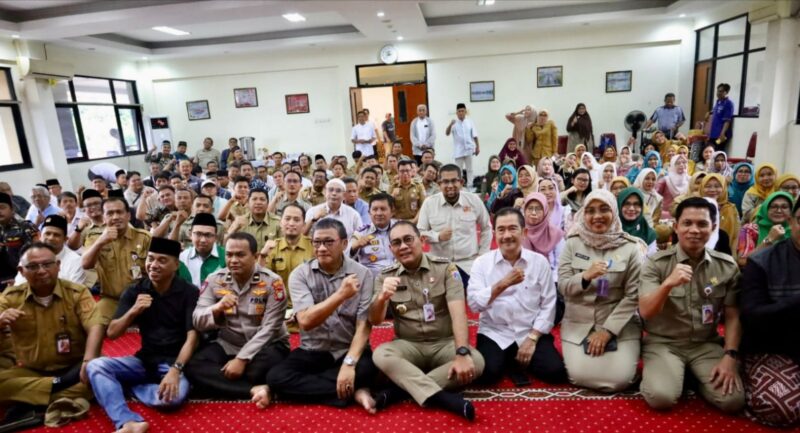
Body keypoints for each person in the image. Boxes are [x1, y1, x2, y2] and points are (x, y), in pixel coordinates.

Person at [639, 197, 744, 413]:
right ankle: (674, 372)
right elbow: (646, 311)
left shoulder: (726, 266)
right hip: (664, 343)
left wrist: (730, 355)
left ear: (713, 228)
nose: (694, 230)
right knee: (662, 398)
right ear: (676, 227)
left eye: (702, 224)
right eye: (687, 223)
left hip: (705, 344)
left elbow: (733, 315)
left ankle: (690, 375)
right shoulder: (656, 263)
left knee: (732, 401)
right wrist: (668, 284)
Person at [370, 221, 485, 420]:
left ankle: (400, 391)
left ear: (421, 240)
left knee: (476, 361)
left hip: (444, 343)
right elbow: (375, 320)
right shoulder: (385, 276)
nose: (403, 246)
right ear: (390, 248)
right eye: (396, 243)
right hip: (408, 345)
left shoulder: (446, 269)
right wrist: (381, 297)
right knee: (381, 354)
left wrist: (461, 352)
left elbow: (459, 314)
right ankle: (443, 398)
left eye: (408, 239)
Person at [258, 219, 376, 411]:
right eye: (317, 242)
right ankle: (350, 391)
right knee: (276, 377)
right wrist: (340, 295)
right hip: (314, 349)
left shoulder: (363, 274)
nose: (321, 248)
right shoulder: (300, 275)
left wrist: (349, 363)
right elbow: (305, 321)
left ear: (344, 243)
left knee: (370, 368)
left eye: (328, 242)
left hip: (349, 349)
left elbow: (363, 326)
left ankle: (290, 391)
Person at [87, 238, 199, 433]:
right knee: (95, 366)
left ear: (176, 265)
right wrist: (133, 311)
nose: (153, 265)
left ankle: (128, 387)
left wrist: (175, 370)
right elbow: (112, 333)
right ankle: (127, 422)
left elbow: (193, 338)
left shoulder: (189, 292)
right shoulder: (135, 290)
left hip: (175, 361)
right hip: (145, 360)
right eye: (150, 259)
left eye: (162, 260)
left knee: (172, 398)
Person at [0, 242, 103, 431]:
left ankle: (28, 399)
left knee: (96, 380)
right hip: (33, 371)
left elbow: (95, 325)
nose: (41, 271)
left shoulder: (77, 293)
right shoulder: (11, 297)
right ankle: (54, 390)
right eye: (33, 266)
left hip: (75, 369)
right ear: (21, 271)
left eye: (47, 264)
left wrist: (88, 360)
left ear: (58, 265)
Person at [557, 189, 644, 392]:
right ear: (583, 214)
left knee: (620, 380)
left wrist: (607, 331)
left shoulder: (631, 247)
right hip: (579, 322)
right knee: (578, 376)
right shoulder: (572, 243)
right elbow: (563, 286)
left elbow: (633, 296)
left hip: (618, 323)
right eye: (591, 211)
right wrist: (585, 276)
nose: (597, 216)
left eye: (604, 209)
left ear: (614, 211)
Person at [469, 208, 566, 385]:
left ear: (524, 232)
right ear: (494, 234)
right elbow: (474, 305)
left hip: (529, 330)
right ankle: (509, 359)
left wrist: (533, 338)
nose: (507, 235)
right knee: (486, 375)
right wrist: (502, 284)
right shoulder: (481, 264)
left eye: (512, 228)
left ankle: (512, 358)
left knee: (555, 372)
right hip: (495, 331)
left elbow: (548, 305)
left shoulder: (539, 262)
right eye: (501, 230)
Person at [186, 233, 289, 400]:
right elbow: (197, 320)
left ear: (255, 256)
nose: (233, 260)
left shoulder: (272, 282)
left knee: (256, 371)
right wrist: (216, 308)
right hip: (229, 343)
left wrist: (242, 359)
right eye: (229, 255)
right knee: (193, 366)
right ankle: (254, 390)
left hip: (267, 345)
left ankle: (222, 385)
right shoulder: (214, 280)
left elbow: (270, 329)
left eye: (240, 255)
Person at [738, 198, 800, 427]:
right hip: (772, 346)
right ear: (791, 222)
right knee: (780, 408)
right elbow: (751, 317)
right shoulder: (762, 260)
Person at [82, 197, 152, 324]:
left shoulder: (144, 237)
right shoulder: (95, 238)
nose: (115, 217)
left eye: (119, 212)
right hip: (111, 300)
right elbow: (86, 264)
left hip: (141, 298)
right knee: (92, 325)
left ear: (128, 216)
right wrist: (100, 242)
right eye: (110, 213)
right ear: (104, 217)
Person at [417, 164, 492, 275]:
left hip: (468, 264)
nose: (450, 185)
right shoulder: (429, 203)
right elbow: (419, 233)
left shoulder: (473, 200)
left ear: (461, 182)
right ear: (439, 184)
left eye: (454, 181)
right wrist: (438, 236)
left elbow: (487, 228)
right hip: (439, 264)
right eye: (445, 182)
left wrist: (482, 256)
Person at [12, 215, 86, 286]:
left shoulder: (75, 261)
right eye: (47, 234)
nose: (51, 238)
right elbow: (19, 286)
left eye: (56, 235)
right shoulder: (28, 256)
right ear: (40, 236)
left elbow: (75, 291)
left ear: (65, 239)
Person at [736, 191, 793, 266]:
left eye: (784, 207)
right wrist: (769, 239)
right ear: (765, 208)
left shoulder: (796, 230)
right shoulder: (750, 229)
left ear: (791, 211)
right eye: (773, 207)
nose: (779, 211)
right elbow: (742, 261)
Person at [349, 193, 395, 279]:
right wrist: (355, 246)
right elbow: (345, 258)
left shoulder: (401, 229)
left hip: (398, 276)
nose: (379, 213)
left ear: (392, 211)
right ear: (369, 213)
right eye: (375, 209)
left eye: (383, 209)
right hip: (372, 279)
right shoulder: (361, 233)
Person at [0, 192, 38, 290]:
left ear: (12, 209)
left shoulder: (25, 227)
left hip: (22, 278)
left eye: (2, 207)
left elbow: (35, 255)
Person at [177, 213, 226, 287]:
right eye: (198, 234)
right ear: (190, 234)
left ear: (215, 237)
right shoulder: (182, 258)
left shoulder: (225, 256)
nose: (203, 240)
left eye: (208, 235)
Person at [522, 192, 565, 274]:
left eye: (538, 209)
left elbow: (560, 265)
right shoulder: (519, 232)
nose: (533, 212)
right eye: (530, 208)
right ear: (524, 210)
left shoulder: (555, 234)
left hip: (549, 276)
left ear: (545, 211)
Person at [227, 188, 282, 253]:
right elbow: (226, 244)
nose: (258, 202)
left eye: (262, 199)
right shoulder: (240, 221)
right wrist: (234, 230)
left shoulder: (277, 222)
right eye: (254, 199)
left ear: (268, 203)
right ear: (248, 202)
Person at [701, 174, 740, 253]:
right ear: (701, 188)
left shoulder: (731, 208)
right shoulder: (696, 207)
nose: (712, 190)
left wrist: (733, 253)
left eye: (717, 186)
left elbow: (736, 233)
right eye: (708, 186)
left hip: (725, 251)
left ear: (724, 188)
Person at [446, 103, 480, 183]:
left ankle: (470, 185)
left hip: (469, 149)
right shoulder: (454, 123)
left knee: (470, 169)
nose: (461, 113)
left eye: (462, 111)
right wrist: (450, 124)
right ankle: (459, 185)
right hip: (458, 151)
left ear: (465, 112)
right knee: (458, 170)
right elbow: (447, 133)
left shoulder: (470, 122)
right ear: (456, 113)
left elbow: (475, 135)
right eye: (459, 111)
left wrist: (477, 147)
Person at [618, 187, 657, 254]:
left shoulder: (648, 234)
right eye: (627, 204)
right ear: (619, 205)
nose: (631, 208)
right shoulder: (610, 232)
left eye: (636, 204)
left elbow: (651, 258)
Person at [655, 154, 690, 221]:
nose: (681, 165)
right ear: (673, 165)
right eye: (678, 163)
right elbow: (655, 195)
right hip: (666, 216)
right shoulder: (666, 180)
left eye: (684, 162)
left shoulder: (690, 180)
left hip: (685, 215)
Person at [707, 83, 734, 150]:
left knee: (718, 152)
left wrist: (722, 133)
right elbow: (715, 111)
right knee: (710, 150)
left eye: (721, 91)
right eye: (718, 91)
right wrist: (709, 113)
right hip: (713, 134)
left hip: (720, 135)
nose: (718, 93)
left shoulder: (728, 104)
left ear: (726, 92)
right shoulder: (718, 102)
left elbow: (727, 121)